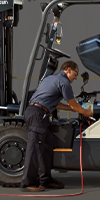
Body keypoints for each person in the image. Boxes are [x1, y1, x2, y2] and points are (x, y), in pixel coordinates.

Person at [21, 60, 93, 192]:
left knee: (47, 146)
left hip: (35, 112)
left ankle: (46, 180)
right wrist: (86, 112)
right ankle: (27, 183)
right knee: (35, 148)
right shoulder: (64, 82)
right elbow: (73, 104)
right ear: (68, 69)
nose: (76, 77)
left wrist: (74, 110)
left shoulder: (51, 79)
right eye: (75, 74)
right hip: (38, 114)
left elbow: (58, 105)